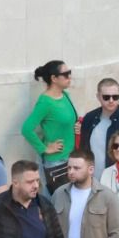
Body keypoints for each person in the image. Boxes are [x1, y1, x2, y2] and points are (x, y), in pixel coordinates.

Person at [21, 59, 78, 191]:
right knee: (60, 202)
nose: (69, 77)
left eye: (70, 73)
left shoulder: (65, 95)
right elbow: (26, 129)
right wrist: (44, 148)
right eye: (66, 74)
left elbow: (67, 121)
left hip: (70, 156)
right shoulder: (45, 102)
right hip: (56, 161)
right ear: (54, 78)